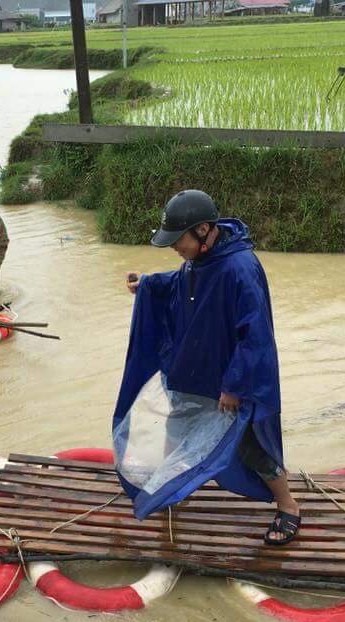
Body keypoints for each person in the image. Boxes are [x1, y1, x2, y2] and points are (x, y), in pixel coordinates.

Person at [114, 189, 300, 545]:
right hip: (196, 371)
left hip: (227, 383)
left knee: (251, 445)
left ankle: (288, 505)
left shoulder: (240, 268)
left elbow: (255, 335)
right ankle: (173, 489)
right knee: (175, 428)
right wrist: (149, 284)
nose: (174, 247)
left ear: (203, 230)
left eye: (177, 239)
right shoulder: (202, 259)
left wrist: (234, 385)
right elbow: (182, 280)